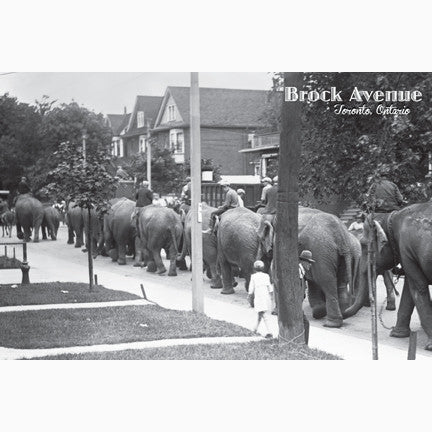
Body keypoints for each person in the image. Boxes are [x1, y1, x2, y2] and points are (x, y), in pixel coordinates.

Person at [248, 260, 274, 338]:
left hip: (259, 297)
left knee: (263, 314)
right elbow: (270, 288)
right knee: (260, 314)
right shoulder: (266, 276)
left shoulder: (253, 277)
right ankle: (255, 329)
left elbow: (251, 289)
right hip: (266, 297)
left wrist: (249, 296)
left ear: (254, 268)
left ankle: (270, 332)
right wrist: (271, 298)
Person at [299, 250, 315, 345]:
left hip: (298, 303)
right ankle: (304, 345)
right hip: (296, 304)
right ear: (303, 261)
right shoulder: (298, 270)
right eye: (309, 262)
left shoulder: (302, 271)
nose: (310, 265)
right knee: (306, 323)